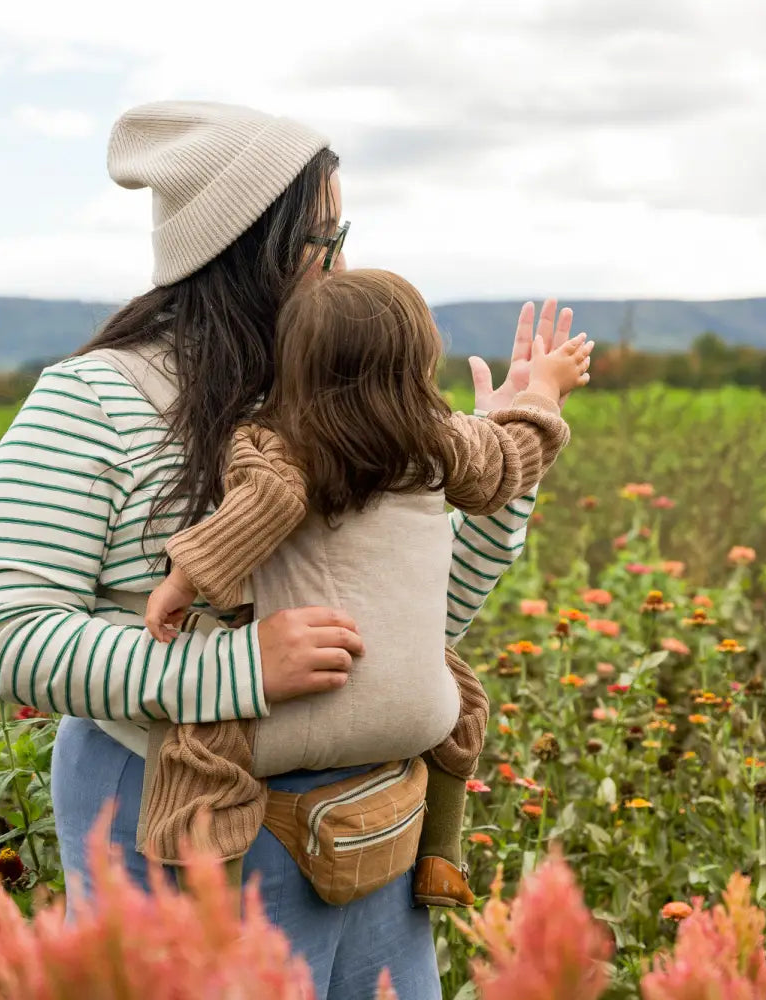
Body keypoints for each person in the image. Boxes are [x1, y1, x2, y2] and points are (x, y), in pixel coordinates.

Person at [0, 99, 581, 1000]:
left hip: (372, 827)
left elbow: (420, 620)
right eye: (325, 238)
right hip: (183, 828)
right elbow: (11, 638)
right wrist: (240, 669)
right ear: (249, 248)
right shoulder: (90, 402)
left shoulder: (344, 385)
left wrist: (506, 469)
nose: (343, 263)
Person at [141, 268, 589, 910]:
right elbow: (511, 457)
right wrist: (543, 390)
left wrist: (184, 578)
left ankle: (210, 910)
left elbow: (259, 507)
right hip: (420, 714)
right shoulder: (441, 440)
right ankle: (441, 855)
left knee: (200, 756)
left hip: (297, 713)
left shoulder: (273, 443)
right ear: (419, 363)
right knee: (462, 695)